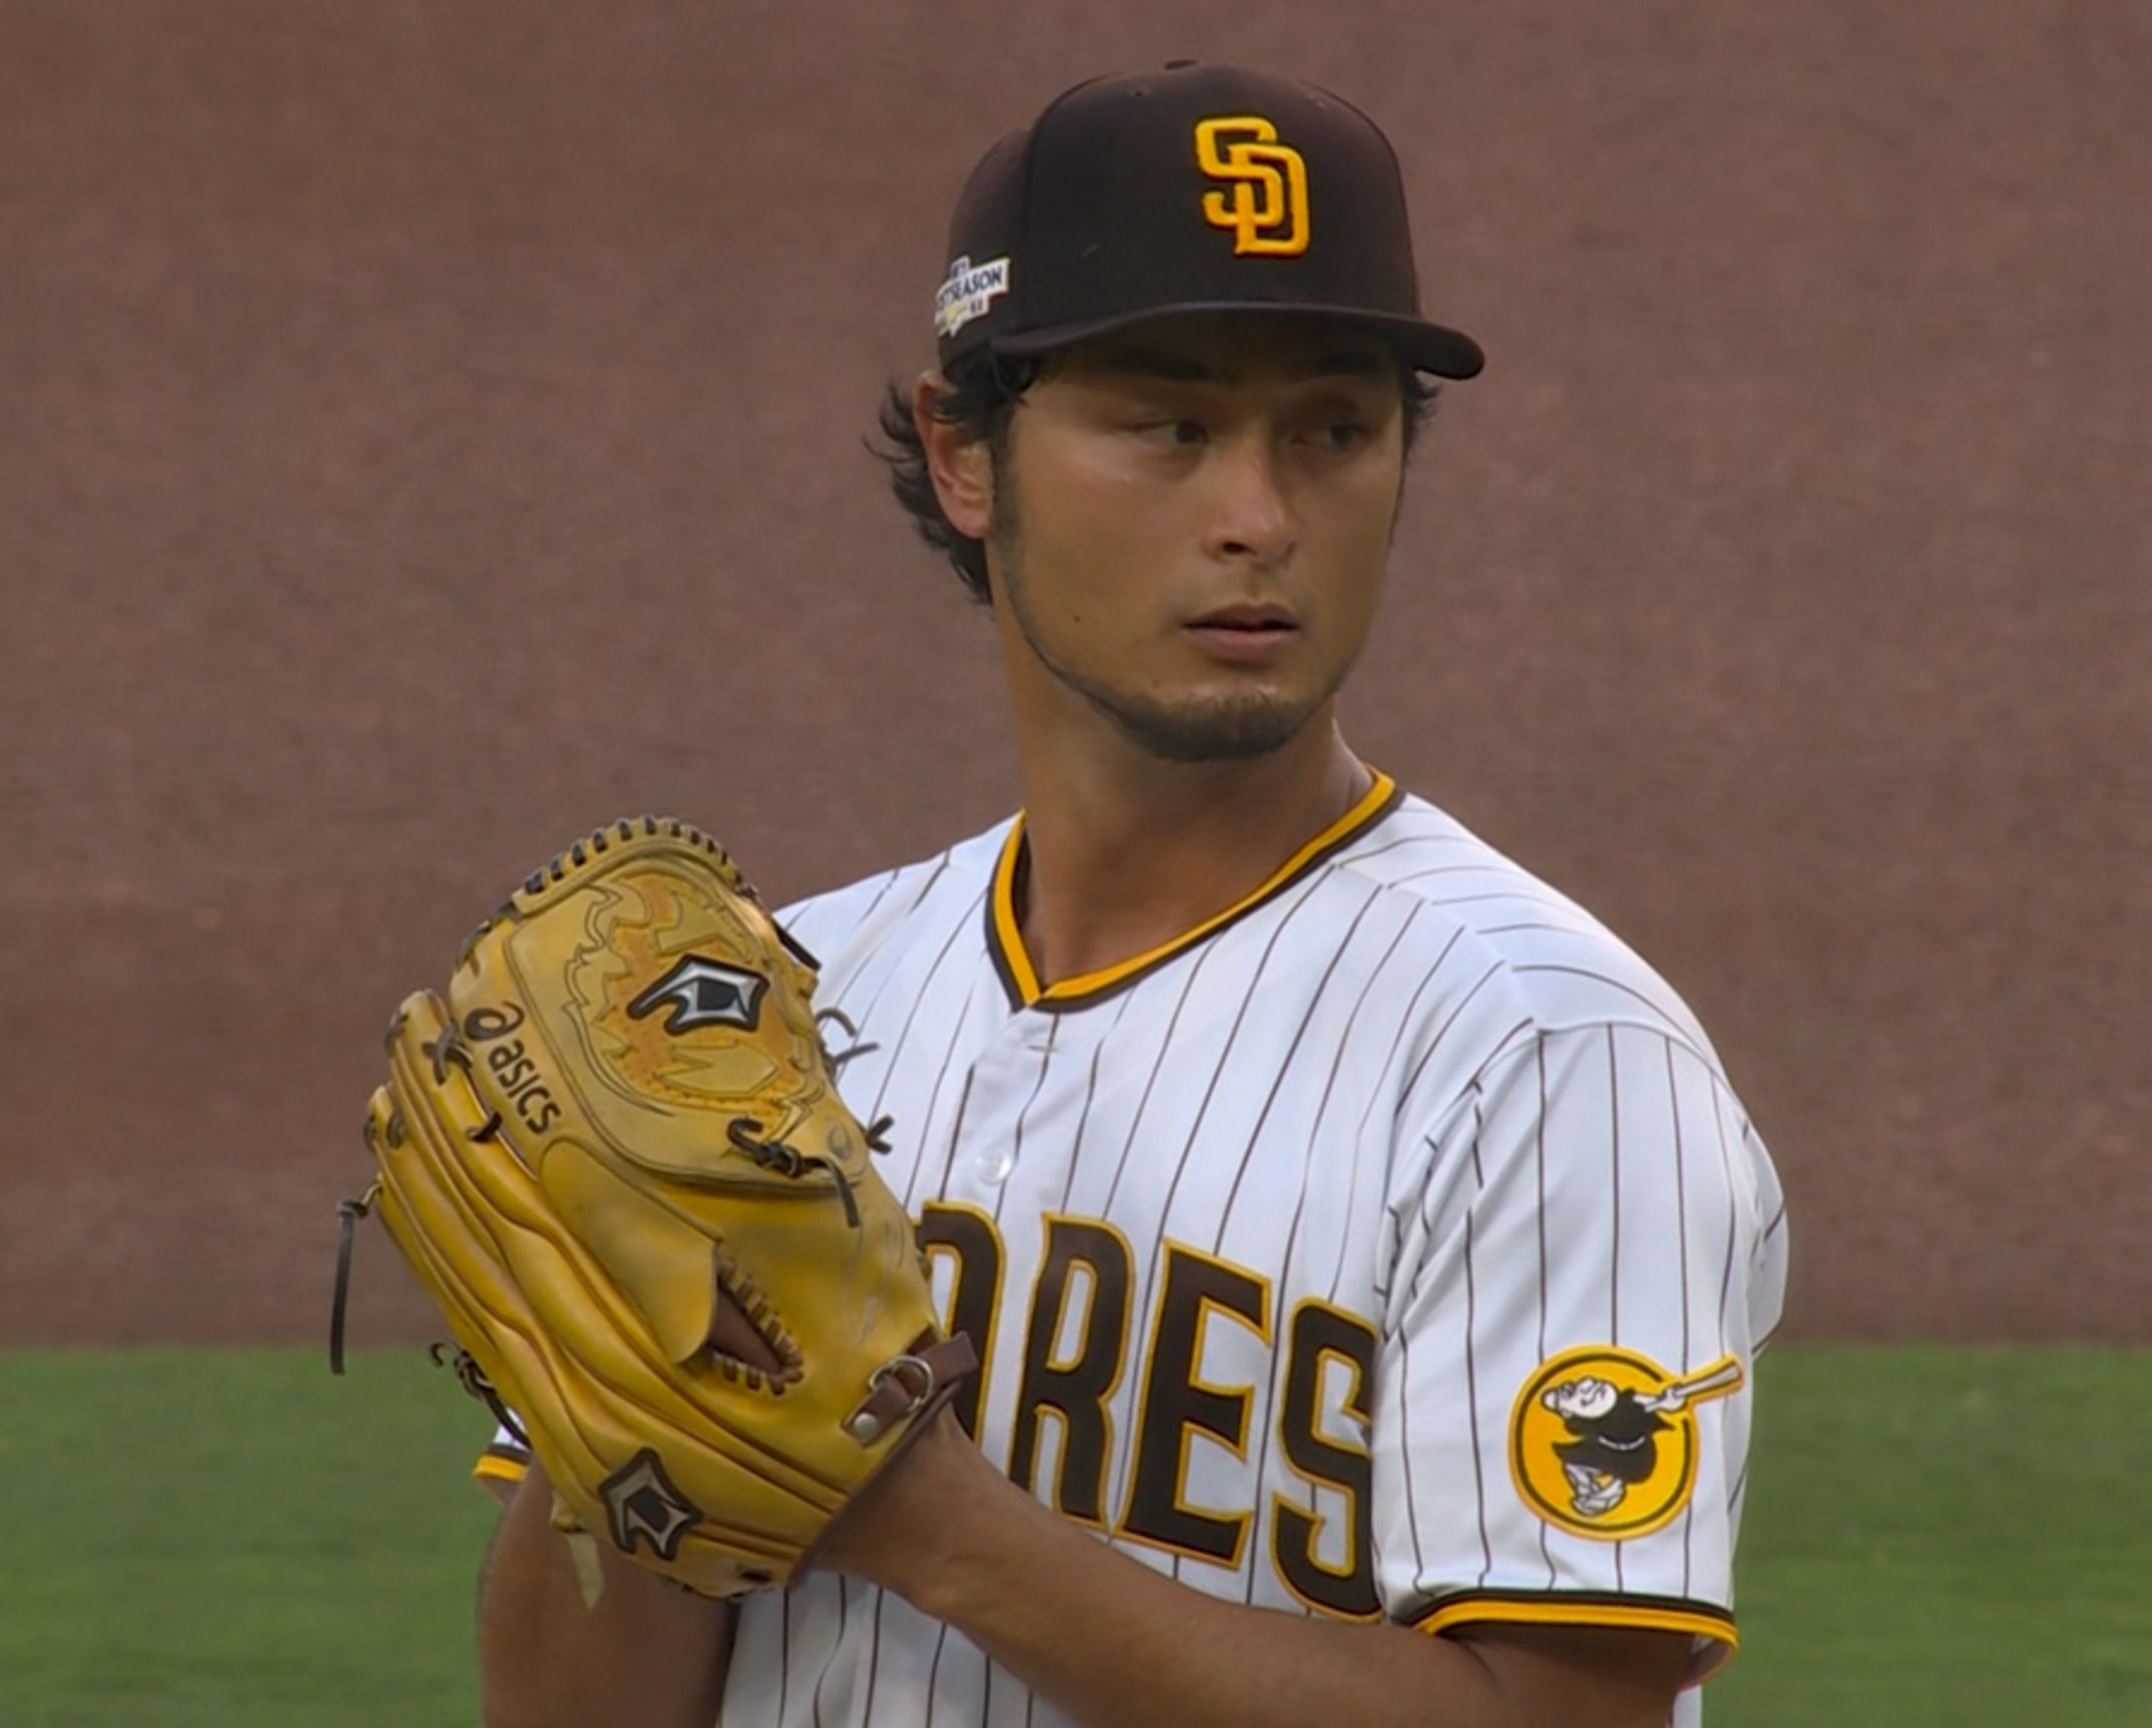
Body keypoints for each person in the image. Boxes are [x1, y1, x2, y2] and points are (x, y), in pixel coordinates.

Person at [470, 60, 1790, 1728]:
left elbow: (1562, 1716)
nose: (1259, 519)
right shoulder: (770, 1002)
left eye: (1333, 430)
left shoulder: (1555, 1056)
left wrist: (929, 1527)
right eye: (1170, 426)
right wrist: (637, 1441)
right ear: (967, 455)